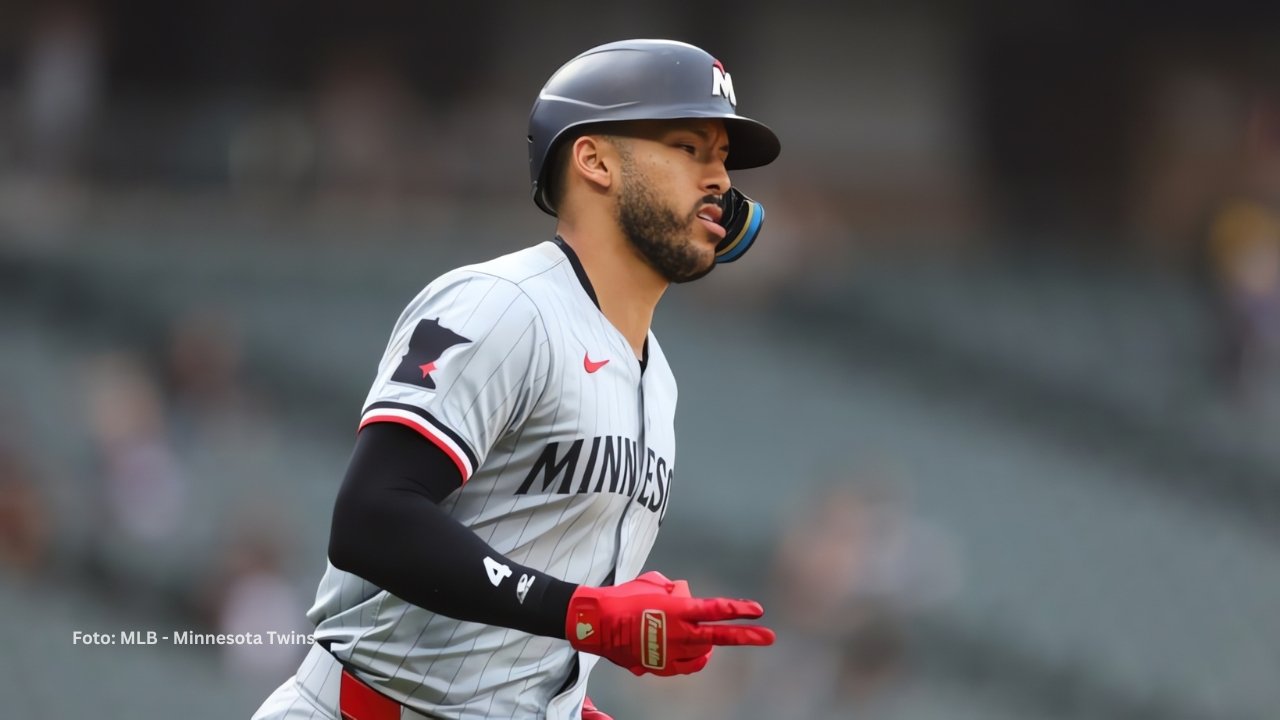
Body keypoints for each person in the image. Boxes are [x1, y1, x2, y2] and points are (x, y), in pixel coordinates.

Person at [253, 38, 781, 720]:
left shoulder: (658, 376)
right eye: (688, 146)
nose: (720, 181)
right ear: (593, 160)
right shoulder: (503, 304)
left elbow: (517, 629)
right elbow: (372, 517)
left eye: (723, 159)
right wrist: (586, 613)